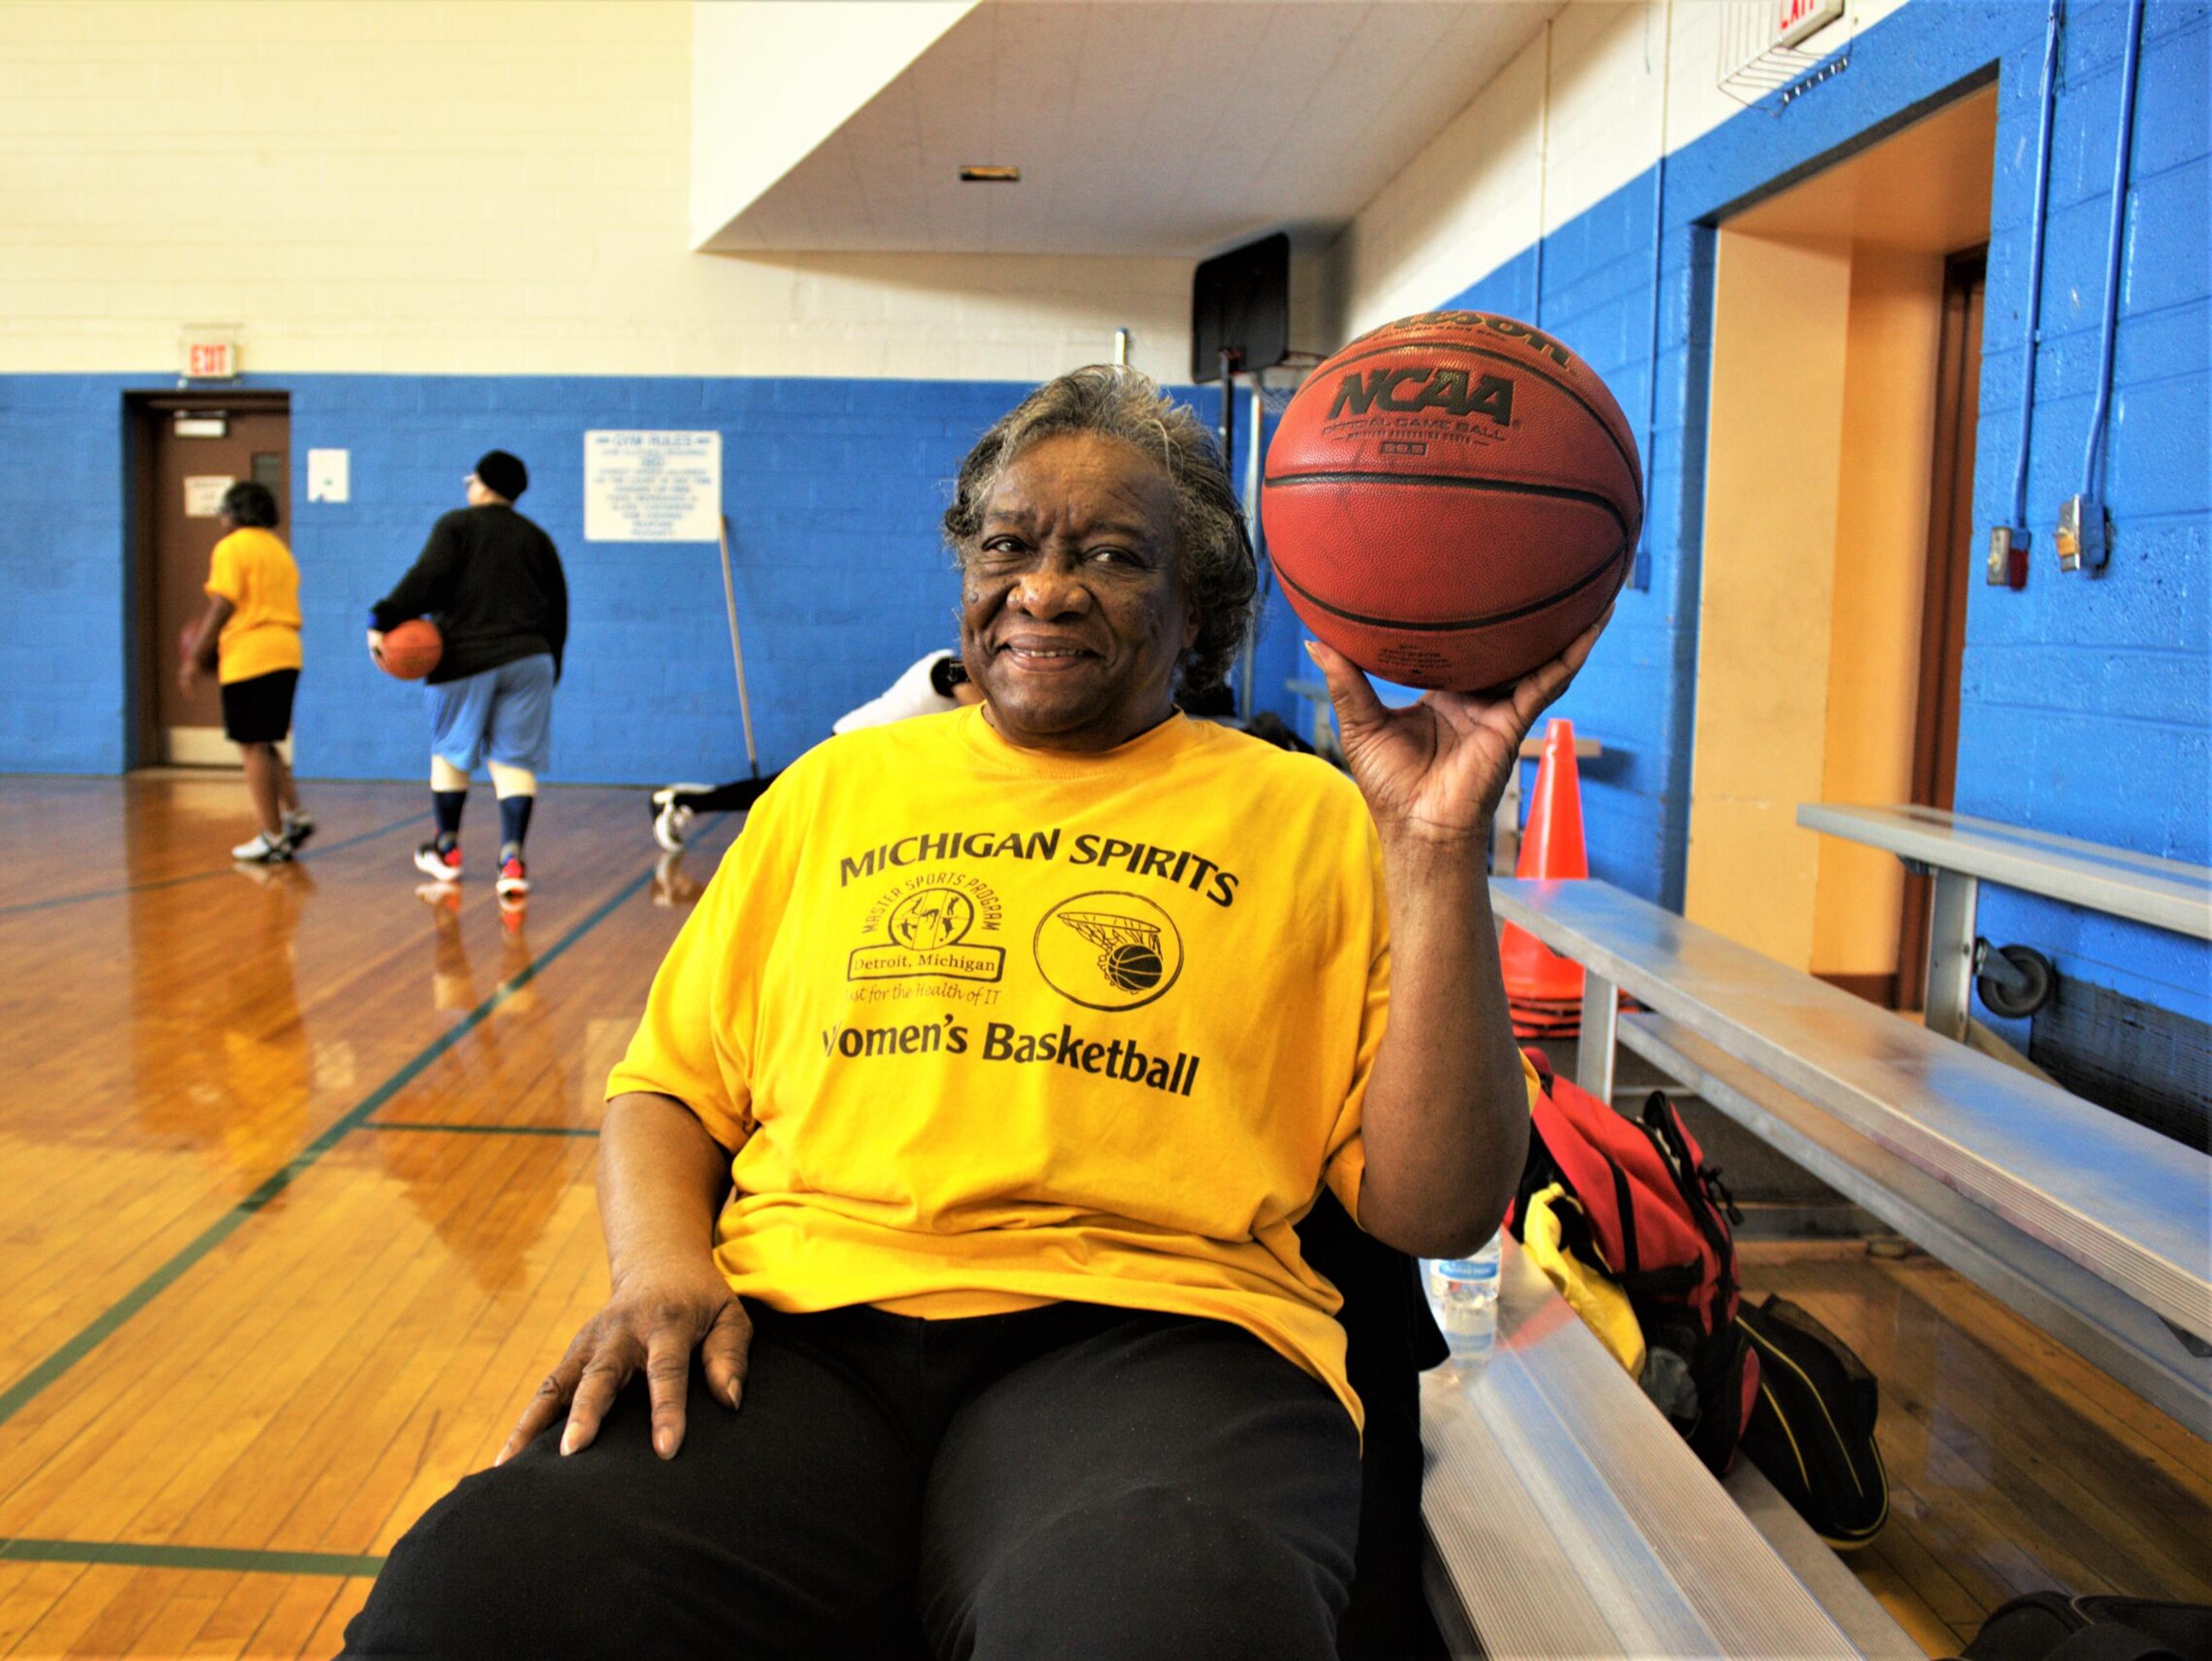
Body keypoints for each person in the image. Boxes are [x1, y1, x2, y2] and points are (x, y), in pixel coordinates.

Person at [341, 366, 1599, 1659]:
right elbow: (669, 1087)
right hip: (799, 1339)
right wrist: (661, 1269)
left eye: (1111, 555)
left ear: (1201, 613)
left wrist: (1440, 851)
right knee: (480, 1592)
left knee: (1166, 1625)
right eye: (1009, 545)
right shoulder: (834, 792)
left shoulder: (1312, 816)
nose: (1045, 587)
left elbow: (1436, 1208)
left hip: (1159, 1338)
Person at [369, 449, 568, 902]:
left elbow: (426, 579)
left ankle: (448, 851)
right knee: (515, 761)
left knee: (451, 754)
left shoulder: (456, 525)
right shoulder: (538, 538)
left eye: (470, 480)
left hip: (463, 658)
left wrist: (381, 618)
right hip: (530, 659)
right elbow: (559, 608)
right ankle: (512, 860)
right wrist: (550, 664)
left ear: (481, 484)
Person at [648, 649, 982, 851]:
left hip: (878, 755)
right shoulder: (952, 667)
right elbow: (979, 719)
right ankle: (679, 801)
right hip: (855, 745)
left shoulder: (951, 664)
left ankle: (691, 798)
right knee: (777, 795)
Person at [180, 480, 312, 863]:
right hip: (287, 652)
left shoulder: (232, 547)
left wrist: (195, 657)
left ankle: (271, 836)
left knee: (251, 746)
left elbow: (223, 604)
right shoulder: (278, 549)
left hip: (250, 654)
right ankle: (295, 814)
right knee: (267, 740)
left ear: (234, 513)